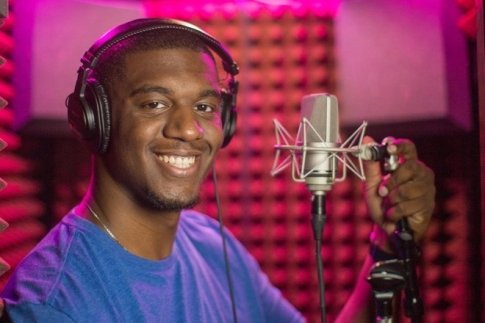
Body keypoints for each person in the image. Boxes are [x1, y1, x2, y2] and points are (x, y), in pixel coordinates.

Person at [0, 18, 435, 322]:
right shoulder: (55, 304)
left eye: (205, 107)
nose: (189, 129)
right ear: (94, 121)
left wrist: (388, 244)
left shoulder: (211, 243)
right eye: (155, 103)